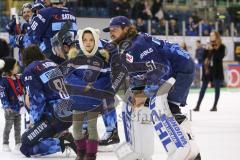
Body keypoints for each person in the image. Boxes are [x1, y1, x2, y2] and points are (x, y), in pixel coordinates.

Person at [103, 16, 201, 160]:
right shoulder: (129, 44)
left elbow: (162, 69)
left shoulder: (137, 45)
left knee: (168, 109)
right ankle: (189, 150)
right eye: (110, 30)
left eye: (115, 30)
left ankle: (189, 152)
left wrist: (144, 93)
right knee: (156, 106)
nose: (111, 33)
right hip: (177, 68)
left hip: (181, 69)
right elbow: (144, 71)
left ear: (126, 29)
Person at [64, 27, 116, 160]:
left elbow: (107, 77)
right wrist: (83, 86)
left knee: (92, 128)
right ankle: (81, 152)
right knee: (76, 129)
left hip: (93, 100)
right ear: (81, 41)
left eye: (91, 40)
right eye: (85, 40)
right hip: (78, 100)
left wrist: (94, 86)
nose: (88, 42)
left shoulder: (103, 58)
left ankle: (91, 155)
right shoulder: (74, 57)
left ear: (96, 41)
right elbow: (68, 76)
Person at [19, 45, 76, 157]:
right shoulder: (53, 65)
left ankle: (63, 142)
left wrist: (35, 123)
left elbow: (37, 100)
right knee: (31, 137)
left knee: (25, 144)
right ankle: (62, 137)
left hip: (54, 116)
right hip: (68, 115)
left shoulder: (30, 70)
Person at [17, 0, 77, 64]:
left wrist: (20, 39)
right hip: (69, 60)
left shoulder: (45, 13)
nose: (36, 12)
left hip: (51, 61)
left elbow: (31, 38)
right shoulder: (72, 13)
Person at [193, 31, 225, 112]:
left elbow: (220, 57)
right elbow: (204, 58)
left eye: (212, 35)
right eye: (210, 35)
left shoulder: (222, 46)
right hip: (207, 70)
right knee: (203, 87)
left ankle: (214, 106)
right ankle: (197, 106)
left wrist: (213, 49)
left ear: (216, 36)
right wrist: (207, 50)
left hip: (217, 70)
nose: (211, 37)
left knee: (217, 88)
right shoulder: (208, 45)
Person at [0, 57, 23, 152]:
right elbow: (2, 94)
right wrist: (6, 106)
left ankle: (18, 143)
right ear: (10, 68)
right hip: (10, 109)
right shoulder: (4, 80)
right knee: (8, 127)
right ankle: (5, 143)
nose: (18, 67)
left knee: (18, 127)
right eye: (15, 66)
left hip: (18, 108)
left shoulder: (18, 77)